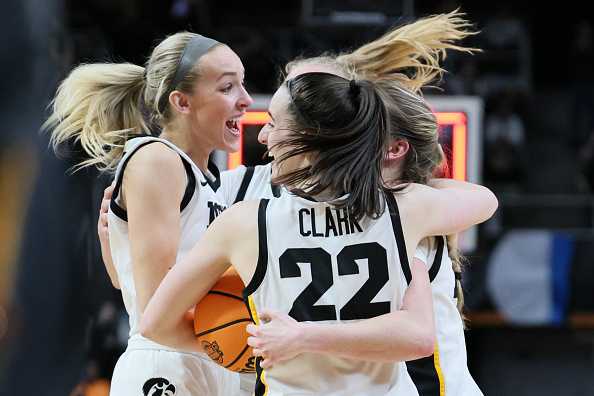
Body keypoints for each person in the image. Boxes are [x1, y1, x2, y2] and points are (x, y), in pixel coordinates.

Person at [140, 71, 497, 395]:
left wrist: (239, 344)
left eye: (272, 123)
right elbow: (485, 201)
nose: (262, 135)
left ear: (307, 137)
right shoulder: (406, 206)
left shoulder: (244, 223)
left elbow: (156, 324)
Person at [45, 32, 252, 395]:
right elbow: (156, 308)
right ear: (182, 102)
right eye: (227, 88)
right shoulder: (156, 159)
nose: (245, 100)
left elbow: (126, 280)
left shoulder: (207, 178)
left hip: (207, 359)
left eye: (243, 85)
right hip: (168, 363)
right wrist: (241, 344)